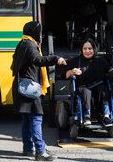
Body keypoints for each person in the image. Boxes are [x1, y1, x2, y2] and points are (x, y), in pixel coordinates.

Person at [11, 21, 67, 161]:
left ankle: (28, 147)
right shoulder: (30, 44)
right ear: (33, 32)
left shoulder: (22, 43)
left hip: (22, 86)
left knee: (27, 119)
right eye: (39, 32)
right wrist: (56, 58)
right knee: (36, 118)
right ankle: (40, 151)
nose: (41, 35)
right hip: (29, 88)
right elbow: (38, 60)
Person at [65, 38, 113, 127]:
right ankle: (87, 116)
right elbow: (66, 75)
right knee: (86, 92)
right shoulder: (76, 61)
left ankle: (106, 116)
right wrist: (72, 71)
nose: (87, 51)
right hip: (83, 86)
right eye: (85, 49)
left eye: (90, 48)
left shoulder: (101, 60)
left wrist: (112, 71)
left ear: (94, 49)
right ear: (81, 50)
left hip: (98, 85)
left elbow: (110, 73)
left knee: (104, 90)